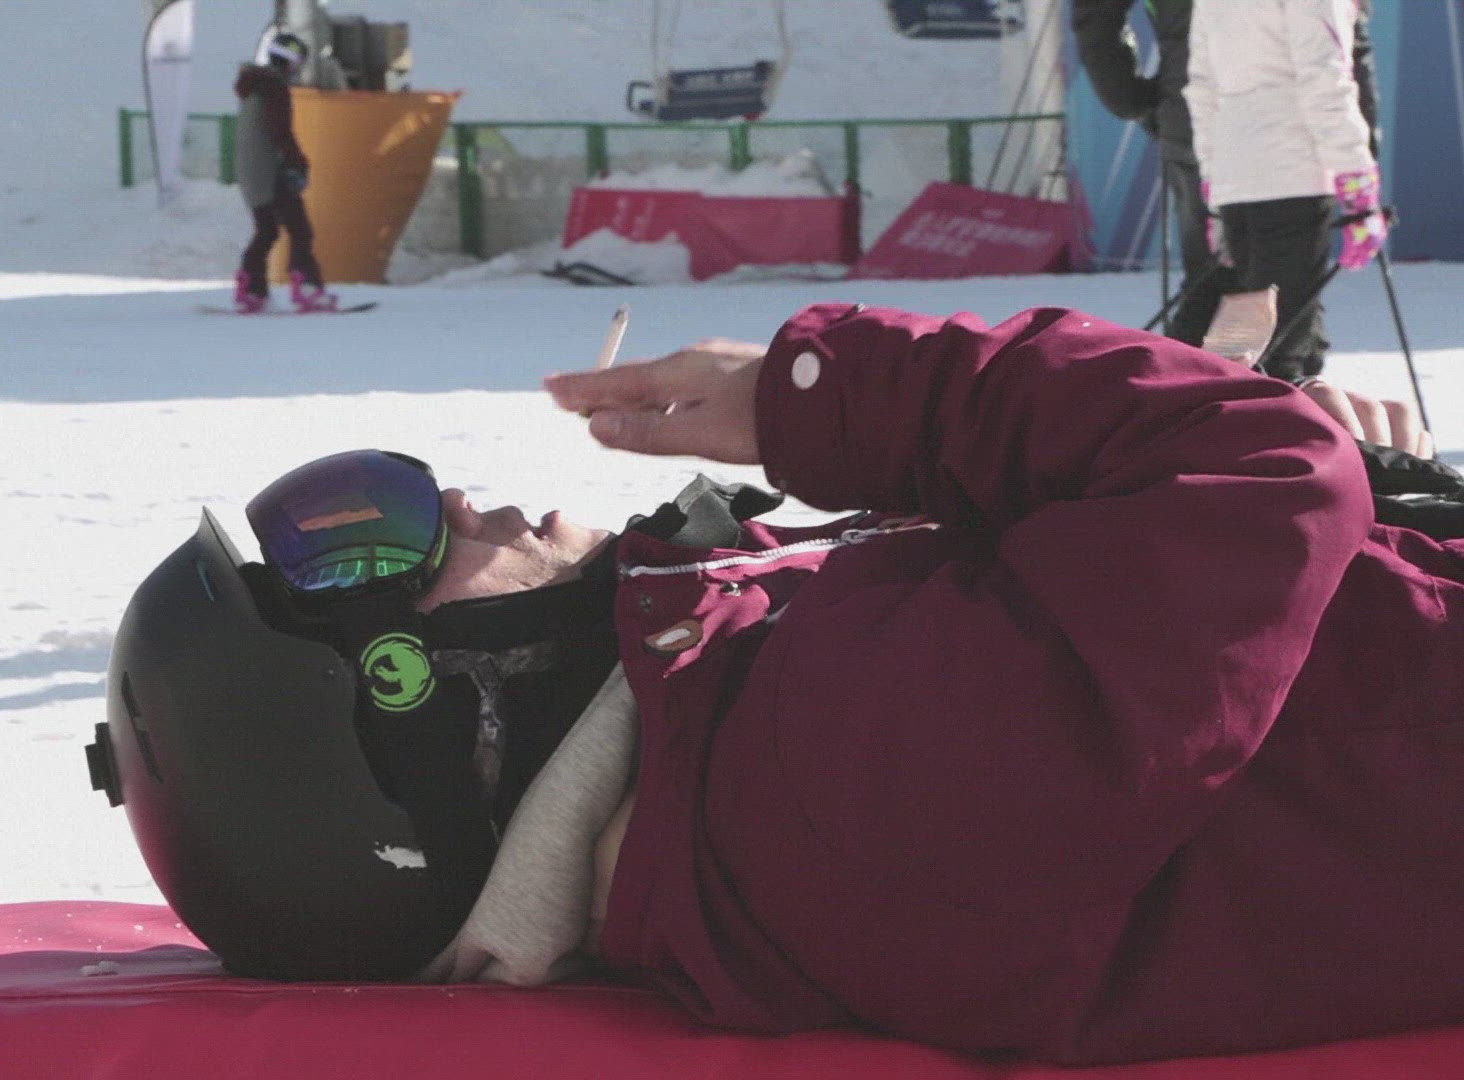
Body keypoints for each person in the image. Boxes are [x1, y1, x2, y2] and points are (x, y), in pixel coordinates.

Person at [87, 301, 1464, 1065]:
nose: (455, 499)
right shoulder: (821, 787)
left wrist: (1361, 501)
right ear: (423, 720)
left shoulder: (725, 746)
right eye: (387, 544)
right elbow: (1258, 482)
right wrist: (829, 399)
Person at [1184, 0, 1385, 383]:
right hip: (1293, 169)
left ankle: (1263, 406)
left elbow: (1202, 87)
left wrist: (1214, 183)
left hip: (1236, 171)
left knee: (1258, 333)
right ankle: (1274, 413)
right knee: (1281, 344)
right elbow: (1325, 78)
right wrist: (1357, 180)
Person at [1071, 0, 1226, 348]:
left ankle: (1192, 371)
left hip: (1197, 117)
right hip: (1241, 122)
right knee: (1262, 280)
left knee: (1220, 281)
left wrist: (1132, 99)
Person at [232, 33, 337, 314]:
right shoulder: (273, 88)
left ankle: (251, 290)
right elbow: (280, 131)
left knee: (267, 230)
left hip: (251, 171)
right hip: (272, 171)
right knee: (300, 230)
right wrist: (296, 164)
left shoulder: (254, 87)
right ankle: (307, 288)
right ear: (291, 63)